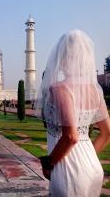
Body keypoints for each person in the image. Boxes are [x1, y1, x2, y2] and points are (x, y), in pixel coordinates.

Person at [35, 29, 110, 196]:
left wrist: (49, 163)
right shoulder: (94, 90)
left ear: (63, 59)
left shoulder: (60, 88)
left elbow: (70, 137)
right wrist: (87, 158)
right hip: (92, 168)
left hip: (68, 170)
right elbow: (107, 134)